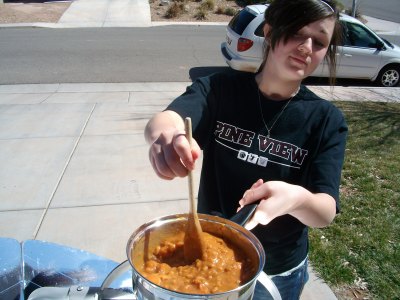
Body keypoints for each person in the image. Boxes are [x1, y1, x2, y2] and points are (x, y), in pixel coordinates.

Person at [144, 0, 348, 299]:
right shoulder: (219, 89)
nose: (306, 47)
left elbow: (325, 212)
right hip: (206, 253)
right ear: (269, 30)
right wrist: (168, 137)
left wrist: (297, 198)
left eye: (319, 42)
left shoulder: (326, 120)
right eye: (296, 32)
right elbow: (167, 119)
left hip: (278, 270)